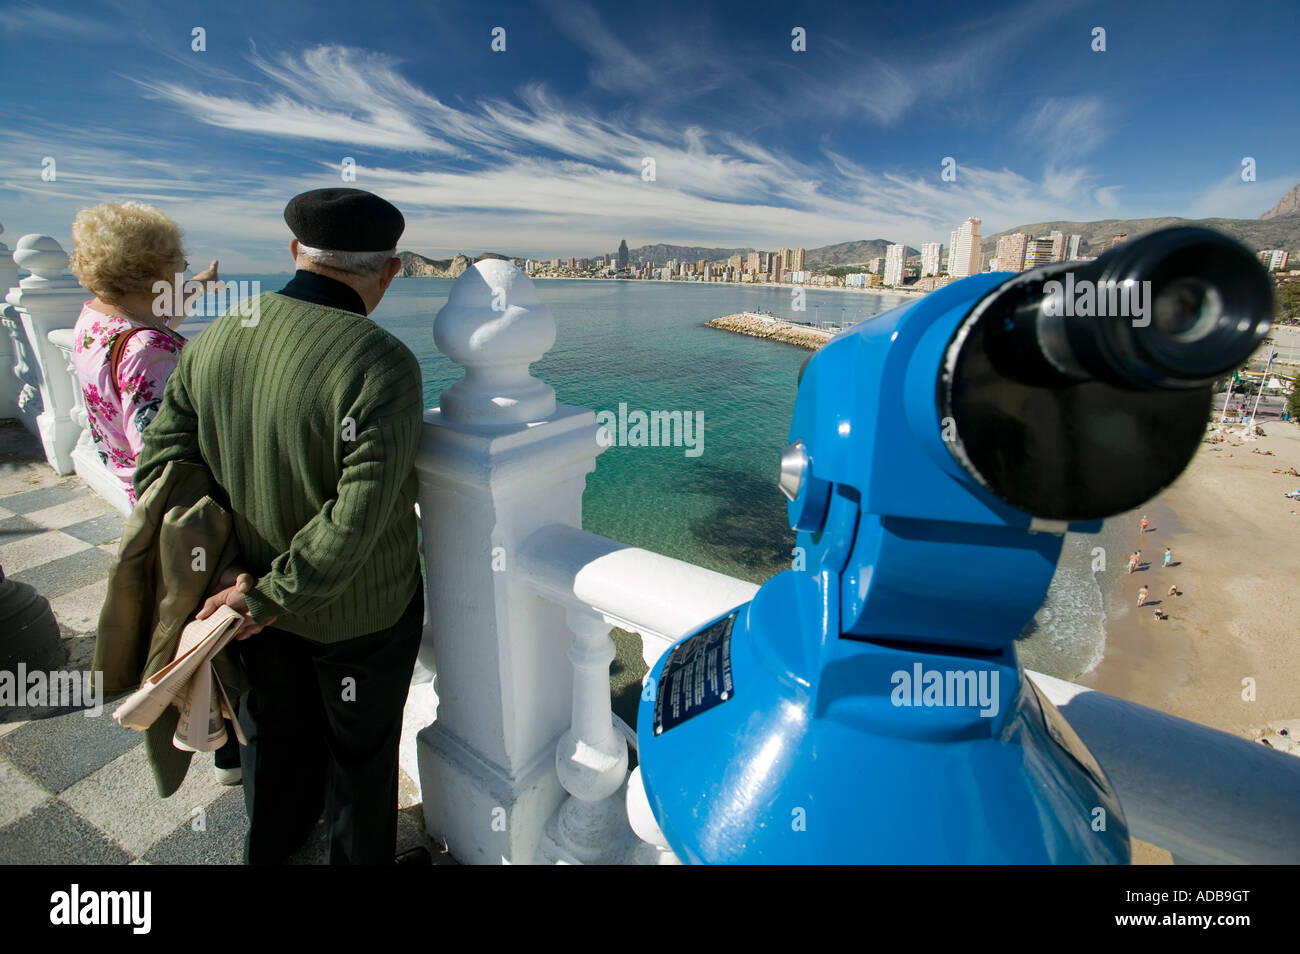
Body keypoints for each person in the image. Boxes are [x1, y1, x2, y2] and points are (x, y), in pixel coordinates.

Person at [134, 188, 423, 866]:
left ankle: (273, 849)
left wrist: (236, 576)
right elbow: (357, 519)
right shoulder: (382, 362)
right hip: (357, 616)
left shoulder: (218, 336)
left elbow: (164, 466)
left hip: (241, 599)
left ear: (294, 251)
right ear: (390, 270)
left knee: (271, 738)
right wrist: (263, 597)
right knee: (361, 756)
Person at [68, 201, 241, 785]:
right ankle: (225, 748)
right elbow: (166, 451)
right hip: (181, 515)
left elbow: (147, 321)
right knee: (209, 629)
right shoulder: (150, 351)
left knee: (190, 619)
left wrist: (196, 288)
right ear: (152, 270)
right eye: (178, 263)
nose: (184, 269)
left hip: (132, 499)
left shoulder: (95, 320)